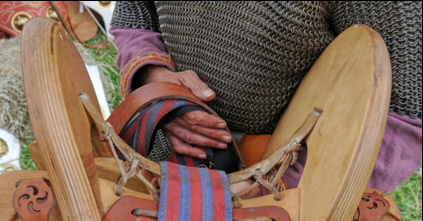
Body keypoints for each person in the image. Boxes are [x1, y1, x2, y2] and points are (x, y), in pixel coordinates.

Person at [110, 1, 421, 193]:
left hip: (284, 181)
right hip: (158, 156)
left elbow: (407, 111)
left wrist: (285, 188)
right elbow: (134, 12)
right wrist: (153, 79)